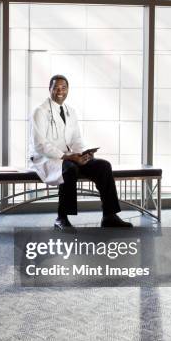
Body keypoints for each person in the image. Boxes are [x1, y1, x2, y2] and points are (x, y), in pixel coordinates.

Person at [29, 74, 133, 230]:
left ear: (68, 89)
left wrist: (83, 154)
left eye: (63, 87)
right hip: (45, 159)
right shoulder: (40, 111)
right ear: (49, 89)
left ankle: (109, 216)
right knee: (69, 169)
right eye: (56, 87)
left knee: (103, 166)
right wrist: (68, 157)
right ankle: (61, 218)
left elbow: (76, 139)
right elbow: (40, 145)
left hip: (69, 157)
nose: (60, 91)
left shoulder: (70, 111)